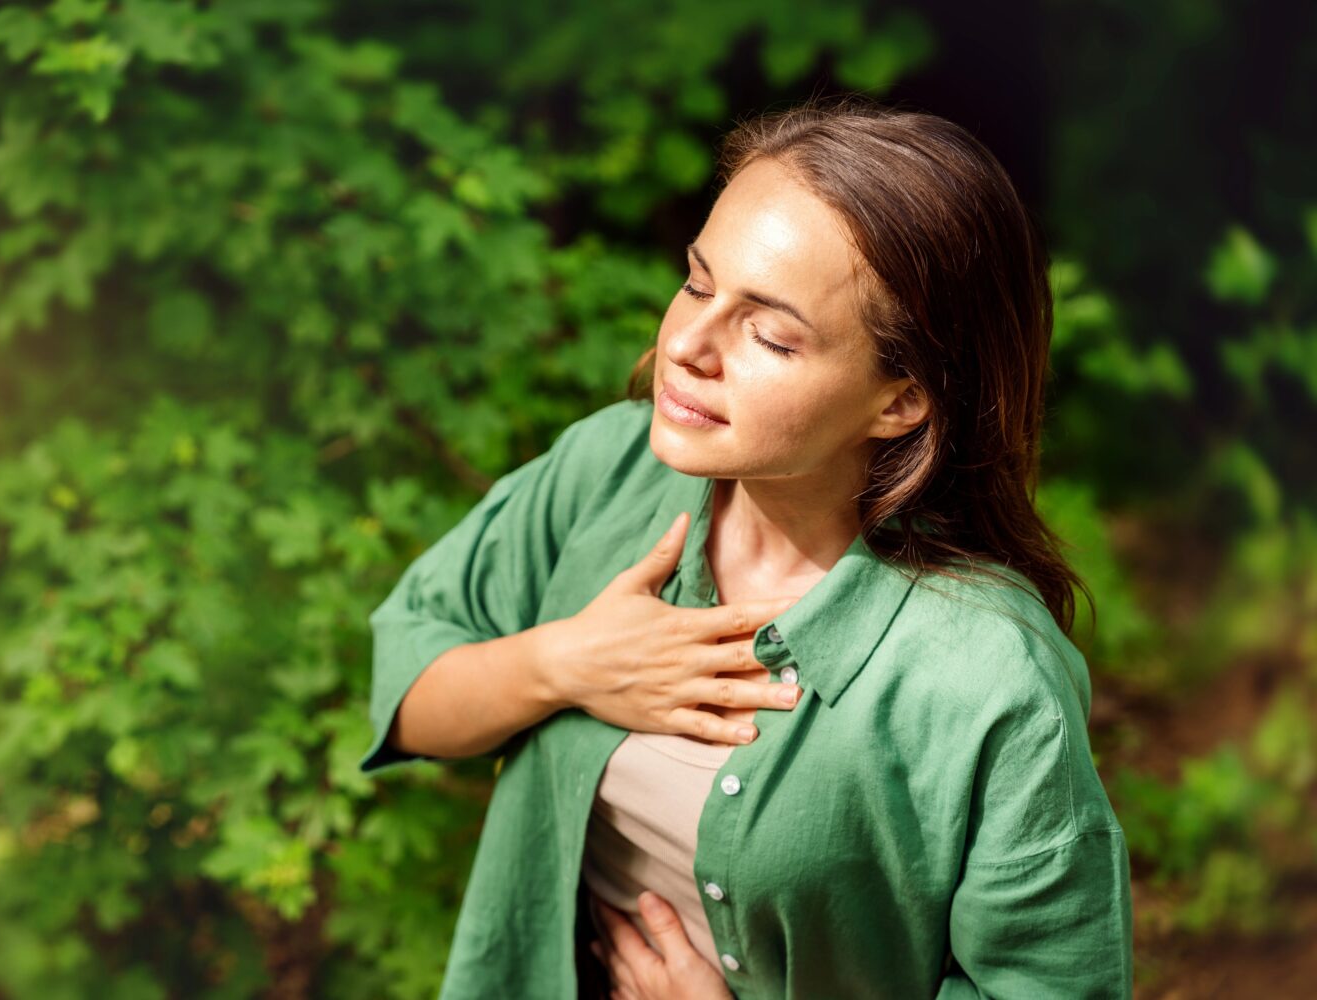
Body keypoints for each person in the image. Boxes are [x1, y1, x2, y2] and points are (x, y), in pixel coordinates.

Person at [360, 93, 1133, 1000]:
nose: (688, 343)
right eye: (695, 282)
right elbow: (407, 689)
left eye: (769, 333)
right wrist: (563, 663)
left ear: (901, 400)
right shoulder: (606, 469)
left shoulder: (989, 679)